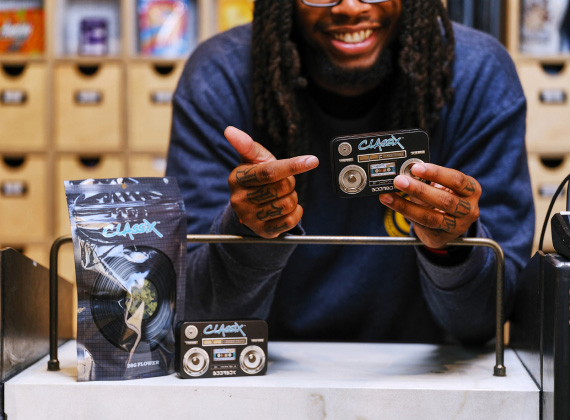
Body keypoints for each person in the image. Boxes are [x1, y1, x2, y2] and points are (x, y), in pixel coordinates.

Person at [166, 0, 535, 345]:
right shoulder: (219, 76)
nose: (351, 8)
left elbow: (484, 321)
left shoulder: (479, 73)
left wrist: (453, 249)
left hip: (429, 382)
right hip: (265, 373)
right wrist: (246, 234)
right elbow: (196, 317)